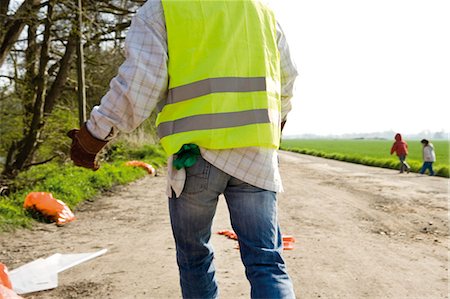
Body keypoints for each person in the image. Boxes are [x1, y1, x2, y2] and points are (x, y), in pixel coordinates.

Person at [67, 1, 298, 298]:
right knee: (266, 261)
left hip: (196, 155)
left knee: (195, 259)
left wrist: (95, 134)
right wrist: (274, 125)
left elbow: (139, 84)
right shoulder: (261, 11)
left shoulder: (163, 9)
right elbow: (286, 80)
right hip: (256, 154)